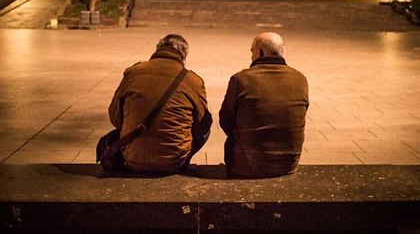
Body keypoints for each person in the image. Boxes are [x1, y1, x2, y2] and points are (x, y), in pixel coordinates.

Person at [108, 34, 212, 174]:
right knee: (206, 131)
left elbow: (115, 118)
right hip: (174, 161)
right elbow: (203, 126)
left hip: (133, 159)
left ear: (158, 50)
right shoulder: (193, 80)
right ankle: (178, 156)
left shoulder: (133, 72)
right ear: (184, 55)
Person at [219, 32, 309, 178]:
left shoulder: (241, 79)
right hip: (288, 164)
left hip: (247, 165)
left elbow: (226, 121)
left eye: (252, 52)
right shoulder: (300, 79)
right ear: (282, 51)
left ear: (260, 52)